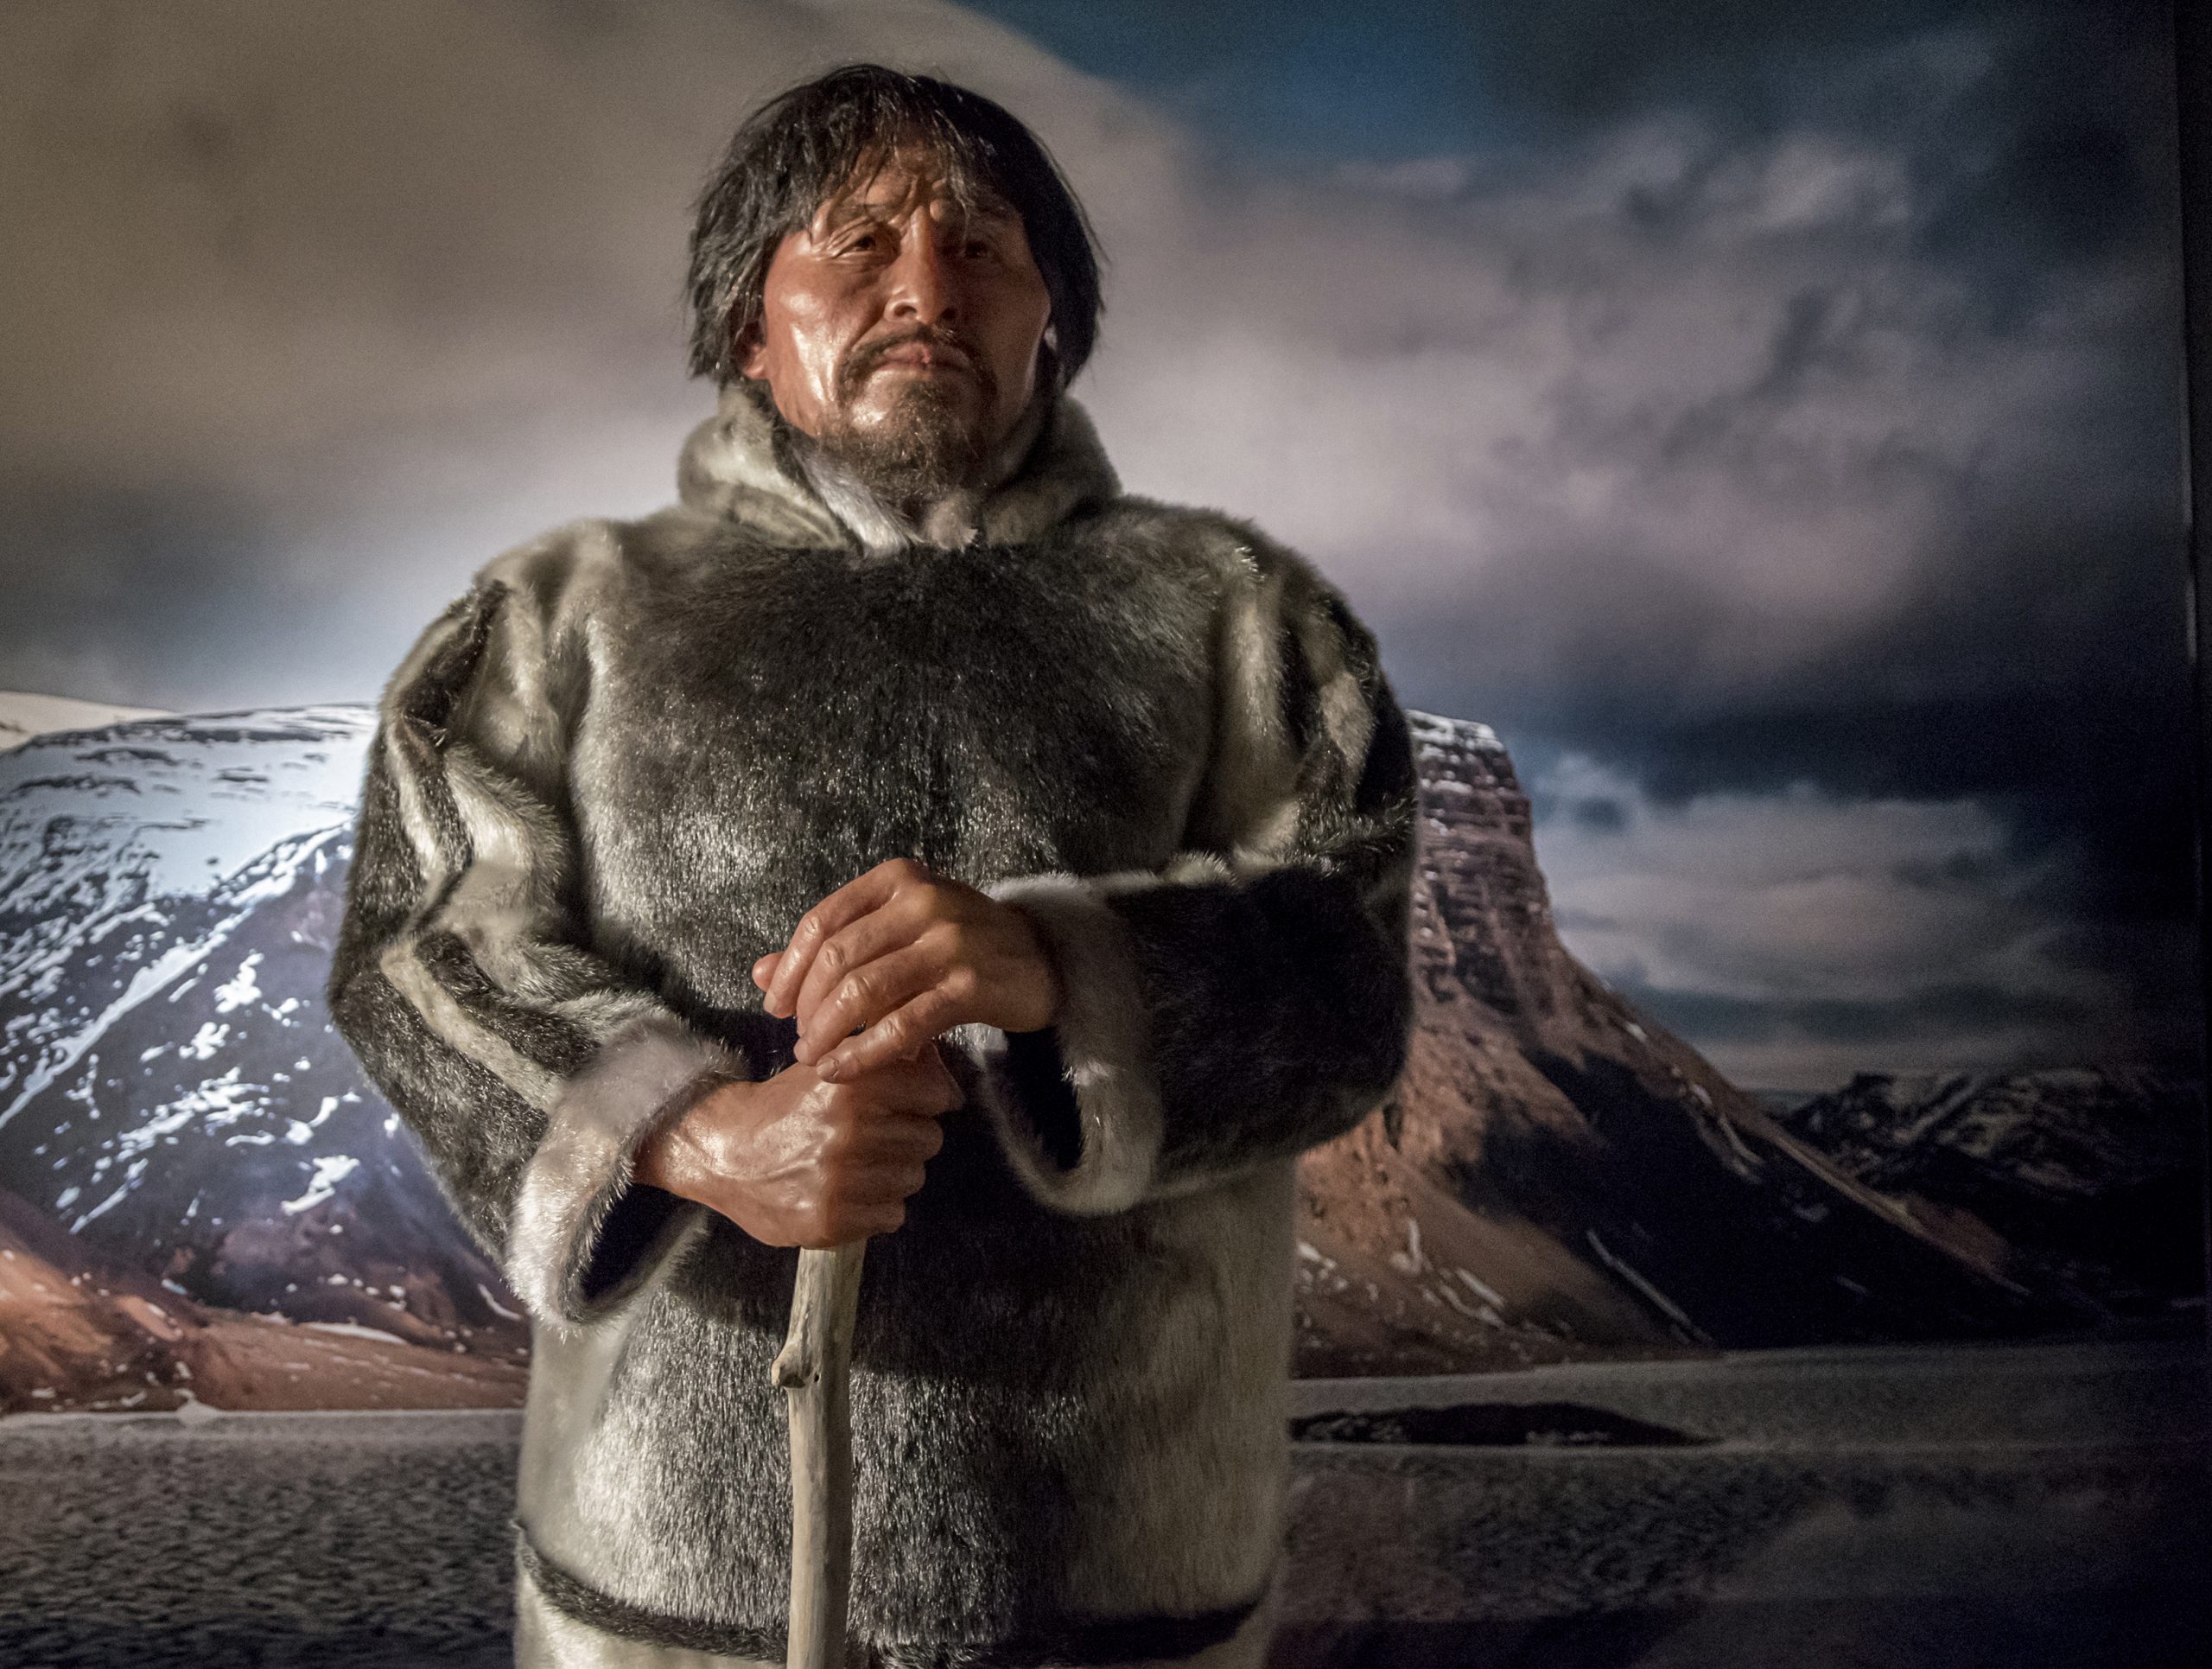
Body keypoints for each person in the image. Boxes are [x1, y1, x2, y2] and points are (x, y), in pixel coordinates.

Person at [327, 62, 1417, 1669]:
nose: (925, 289)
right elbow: (422, 951)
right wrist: (691, 1135)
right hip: (658, 1600)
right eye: (857, 243)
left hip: (1116, 1602)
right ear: (746, 322)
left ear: (1050, 317)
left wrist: (1068, 972)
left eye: (981, 247)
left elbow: (1353, 974)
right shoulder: (559, 618)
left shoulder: (1244, 618)